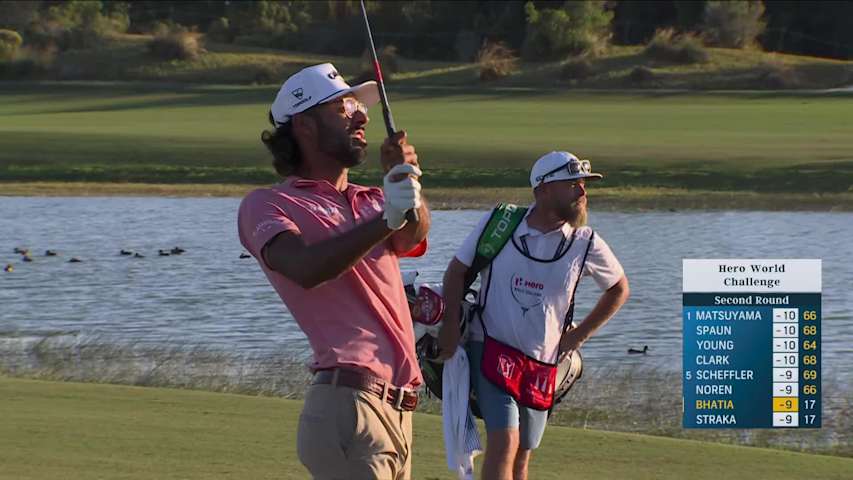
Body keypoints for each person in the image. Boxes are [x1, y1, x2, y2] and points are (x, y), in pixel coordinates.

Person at [237, 63, 431, 480]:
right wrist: (387, 218)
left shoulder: (372, 199)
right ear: (305, 125)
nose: (362, 116)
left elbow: (410, 235)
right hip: (348, 407)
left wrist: (405, 180)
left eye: (358, 107)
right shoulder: (268, 205)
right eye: (345, 107)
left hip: (399, 413)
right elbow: (304, 268)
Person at [437, 151, 629, 480]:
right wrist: (450, 329)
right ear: (543, 190)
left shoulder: (586, 242)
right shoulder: (500, 222)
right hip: (491, 347)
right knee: (504, 441)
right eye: (573, 185)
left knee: (523, 456)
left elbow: (618, 289)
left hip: (542, 362)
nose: (582, 193)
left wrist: (577, 336)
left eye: (582, 185)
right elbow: (457, 273)